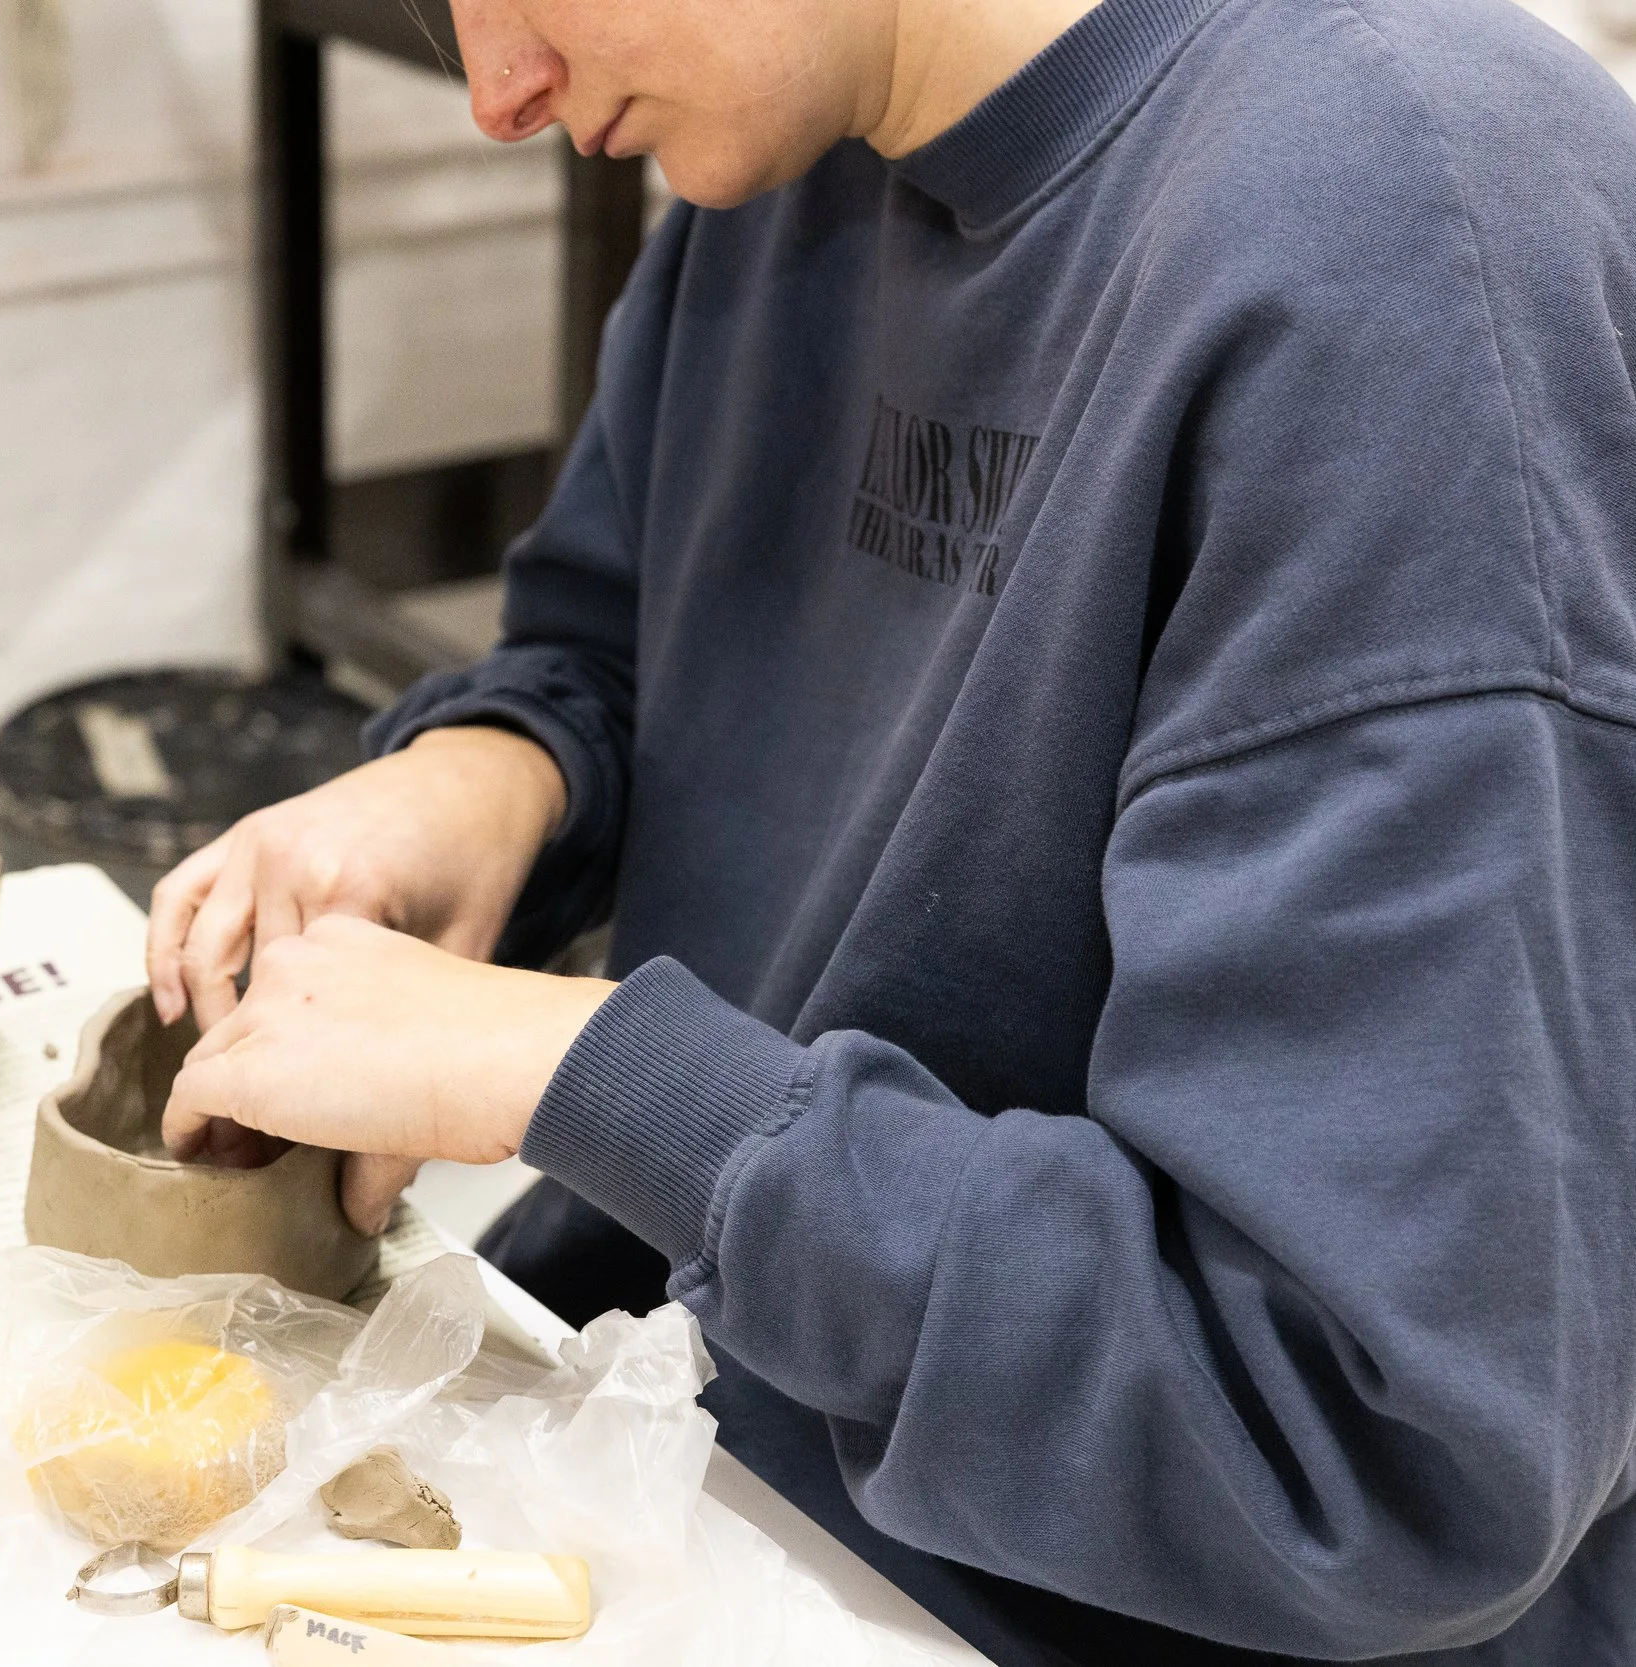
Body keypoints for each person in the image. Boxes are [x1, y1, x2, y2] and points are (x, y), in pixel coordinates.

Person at [144, 0, 1636, 1661]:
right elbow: (622, 638)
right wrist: (492, 773)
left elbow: (1372, 1451)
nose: (499, 95)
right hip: (697, 1432)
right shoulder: (787, 141)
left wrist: (587, 1076)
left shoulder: (1407, 229)